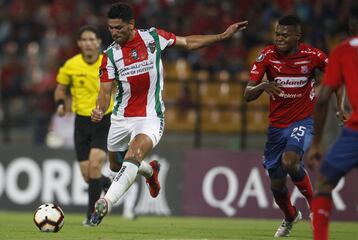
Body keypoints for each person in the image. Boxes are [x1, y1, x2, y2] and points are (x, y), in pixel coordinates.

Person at [89, 2, 248, 226]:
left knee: (133, 155)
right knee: (116, 165)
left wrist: (222, 36)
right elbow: (105, 91)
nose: (114, 32)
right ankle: (150, 172)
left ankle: (106, 203)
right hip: (121, 117)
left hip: (150, 117)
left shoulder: (153, 38)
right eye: (110, 28)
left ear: (131, 24)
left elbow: (188, 42)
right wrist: (98, 108)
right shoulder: (109, 56)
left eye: (118, 28)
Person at [244, 15, 344, 237]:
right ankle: (290, 216)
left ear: (297, 36)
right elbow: (247, 94)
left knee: (290, 161)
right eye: (277, 34)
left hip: (303, 121)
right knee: (277, 185)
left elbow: (336, 76)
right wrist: (262, 85)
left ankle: (314, 208)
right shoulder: (267, 56)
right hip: (276, 128)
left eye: (285, 35)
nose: (279, 39)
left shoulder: (313, 56)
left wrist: (338, 105)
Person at [306, 5, 358, 240]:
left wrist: (316, 143)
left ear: (351, 25)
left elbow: (323, 98)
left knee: (325, 182)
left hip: (356, 132)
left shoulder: (342, 51)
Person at [54, 25, 115, 226]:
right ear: (79, 43)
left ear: (98, 41)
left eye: (92, 39)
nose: (88, 43)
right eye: (84, 40)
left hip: (104, 120)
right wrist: (61, 104)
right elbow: (60, 88)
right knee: (89, 175)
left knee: (95, 165)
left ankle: (92, 216)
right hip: (81, 123)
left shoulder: (108, 62)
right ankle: (110, 185)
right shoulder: (71, 65)